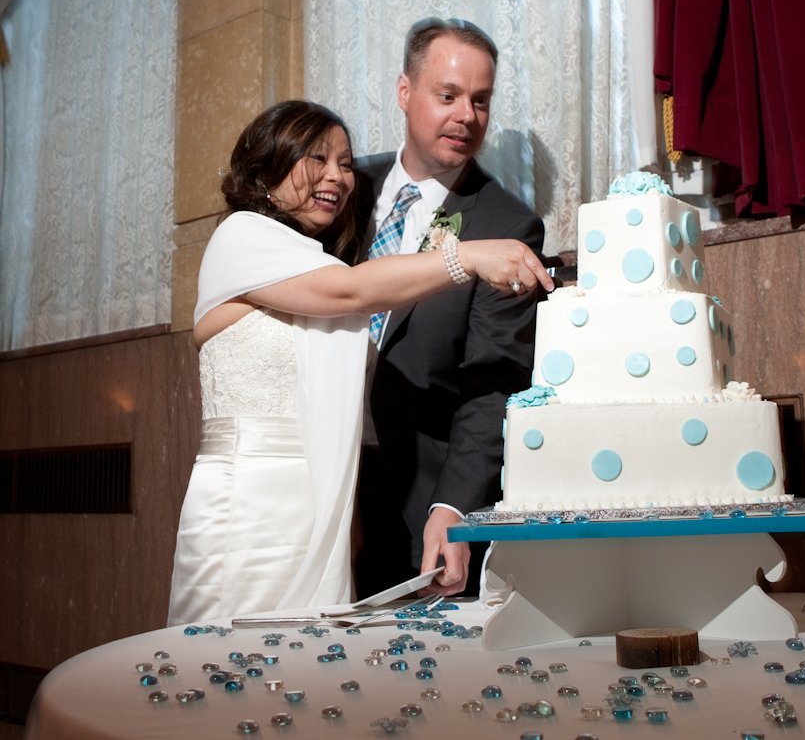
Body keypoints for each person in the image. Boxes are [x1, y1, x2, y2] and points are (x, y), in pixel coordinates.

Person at [167, 100, 551, 626]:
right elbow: (350, 292)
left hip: (320, 506)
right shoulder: (241, 236)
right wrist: (466, 256)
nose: (337, 176)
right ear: (266, 167)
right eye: (317, 157)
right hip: (251, 501)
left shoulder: (312, 256)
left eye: (345, 163)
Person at [351, 18, 545, 598]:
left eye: (480, 100)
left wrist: (454, 505)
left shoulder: (507, 225)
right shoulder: (344, 189)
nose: (466, 116)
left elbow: (494, 381)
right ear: (404, 91)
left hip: (414, 493)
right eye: (448, 96)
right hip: (314, 480)